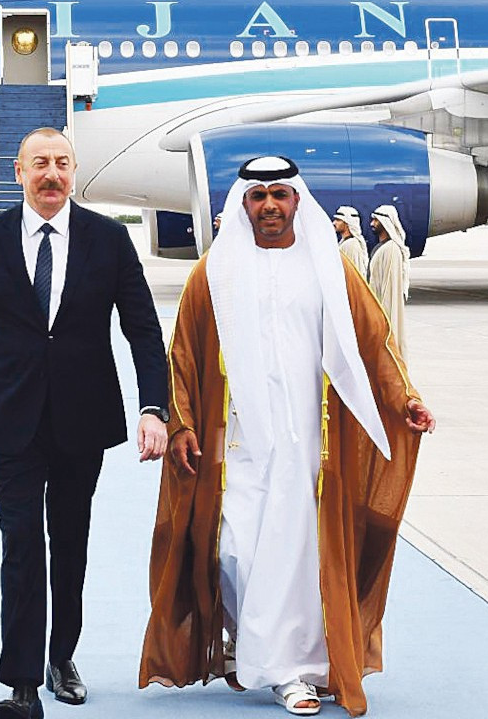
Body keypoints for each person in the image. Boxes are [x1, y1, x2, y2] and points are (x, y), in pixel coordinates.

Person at [139, 156, 435, 718]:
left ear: (297, 200)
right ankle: (251, 641)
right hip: (235, 445)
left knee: (294, 554)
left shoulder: (328, 267)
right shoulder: (215, 272)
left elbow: (375, 343)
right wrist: (182, 423)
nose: (270, 205)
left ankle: (289, 670)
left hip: (308, 445)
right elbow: (183, 354)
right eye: (259, 196)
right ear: (244, 204)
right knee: (232, 548)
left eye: (280, 194)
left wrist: (405, 400)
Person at [0, 127, 169, 719]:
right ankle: (21, 680)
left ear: (74, 171)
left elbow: (143, 329)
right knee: (20, 543)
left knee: (70, 543)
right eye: (39, 163)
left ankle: (60, 656)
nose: (51, 174)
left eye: (62, 163)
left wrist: (153, 408)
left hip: (82, 419)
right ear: (19, 172)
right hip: (8, 419)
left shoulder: (108, 239)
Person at [368, 205, 412, 345]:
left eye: (376, 220)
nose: (372, 224)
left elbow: (389, 291)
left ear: (385, 222)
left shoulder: (391, 249)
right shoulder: (381, 247)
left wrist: (383, 320)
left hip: (383, 312)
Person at [332, 206, 369, 279]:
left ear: (347, 223)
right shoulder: (345, 243)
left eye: (338, 220)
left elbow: (352, 275)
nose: (334, 223)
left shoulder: (351, 245)